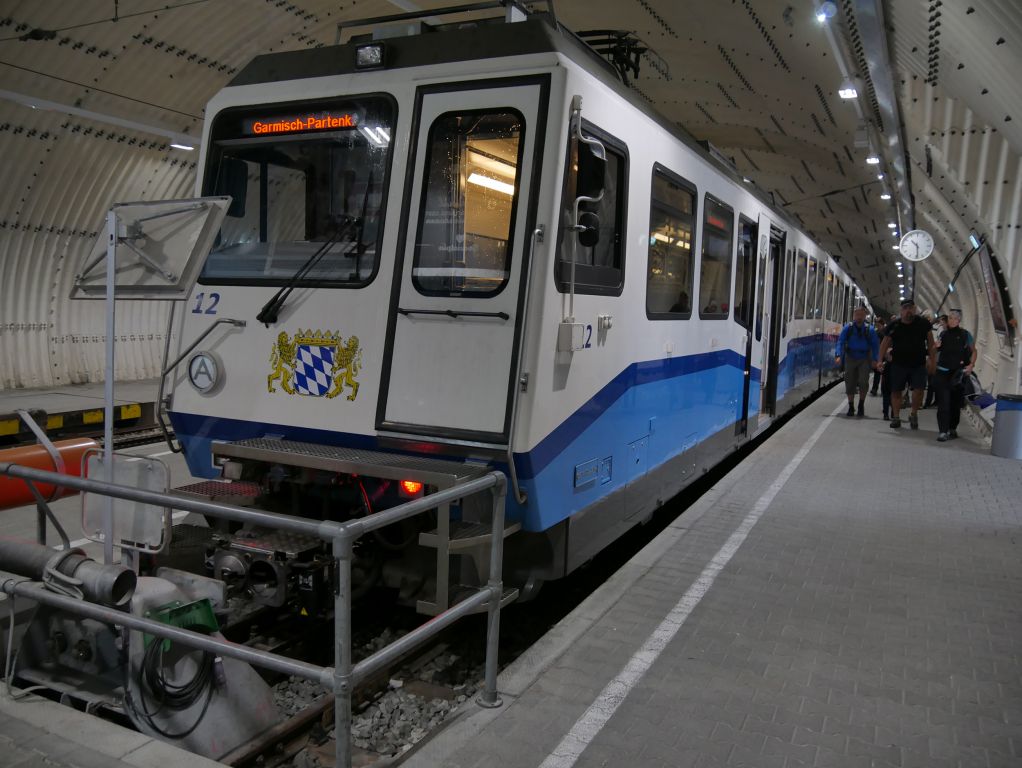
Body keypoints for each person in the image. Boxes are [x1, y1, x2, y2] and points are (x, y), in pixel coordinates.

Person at [878, 299, 935, 430]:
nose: (908, 311)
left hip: (918, 364)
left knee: (919, 390)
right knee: (896, 391)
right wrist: (880, 360)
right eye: (905, 308)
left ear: (914, 310)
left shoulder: (923, 324)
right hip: (899, 363)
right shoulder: (894, 325)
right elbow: (885, 342)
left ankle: (913, 413)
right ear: (901, 311)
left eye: (911, 308)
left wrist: (932, 361)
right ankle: (896, 417)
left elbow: (931, 344)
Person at [931, 309, 977, 442]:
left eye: (954, 318)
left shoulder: (965, 335)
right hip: (942, 372)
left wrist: (971, 365)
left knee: (955, 403)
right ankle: (942, 431)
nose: (951, 320)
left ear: (958, 320)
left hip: (957, 374)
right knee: (943, 403)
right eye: (949, 318)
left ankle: (952, 427)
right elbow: (934, 350)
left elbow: (974, 351)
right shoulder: (943, 334)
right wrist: (935, 347)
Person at [834, 306, 879, 417]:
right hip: (850, 357)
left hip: (864, 358)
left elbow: (875, 346)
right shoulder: (848, 328)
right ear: (854, 316)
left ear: (865, 316)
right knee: (849, 382)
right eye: (857, 315)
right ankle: (850, 406)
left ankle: (861, 405)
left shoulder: (870, 330)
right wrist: (838, 354)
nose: (859, 317)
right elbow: (840, 341)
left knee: (864, 382)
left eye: (861, 315)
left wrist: (875, 359)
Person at [922, 315, 948, 408]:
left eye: (942, 322)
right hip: (939, 360)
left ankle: (928, 403)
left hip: (937, 360)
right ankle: (935, 401)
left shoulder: (943, 333)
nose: (940, 324)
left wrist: (931, 354)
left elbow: (937, 346)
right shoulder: (944, 333)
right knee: (934, 382)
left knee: (931, 382)